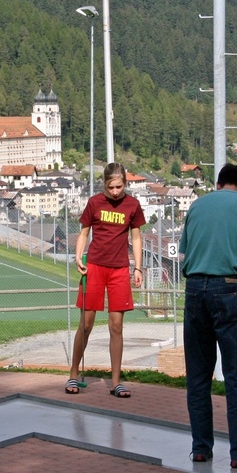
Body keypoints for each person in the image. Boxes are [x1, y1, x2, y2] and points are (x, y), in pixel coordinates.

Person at [180, 164, 237, 469]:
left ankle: (201, 448)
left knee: (199, 376)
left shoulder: (196, 206)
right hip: (229, 289)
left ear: (218, 184)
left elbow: (185, 253)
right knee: (235, 377)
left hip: (194, 289)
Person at [65, 162, 146, 398]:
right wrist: (78, 257)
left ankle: (116, 382)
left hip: (120, 269)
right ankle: (73, 373)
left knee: (116, 326)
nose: (115, 191)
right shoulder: (94, 203)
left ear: (126, 184)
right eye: (111, 187)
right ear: (104, 184)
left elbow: (137, 237)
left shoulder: (133, 205)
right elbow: (84, 233)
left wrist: (138, 267)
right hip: (94, 268)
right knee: (87, 324)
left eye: (119, 187)